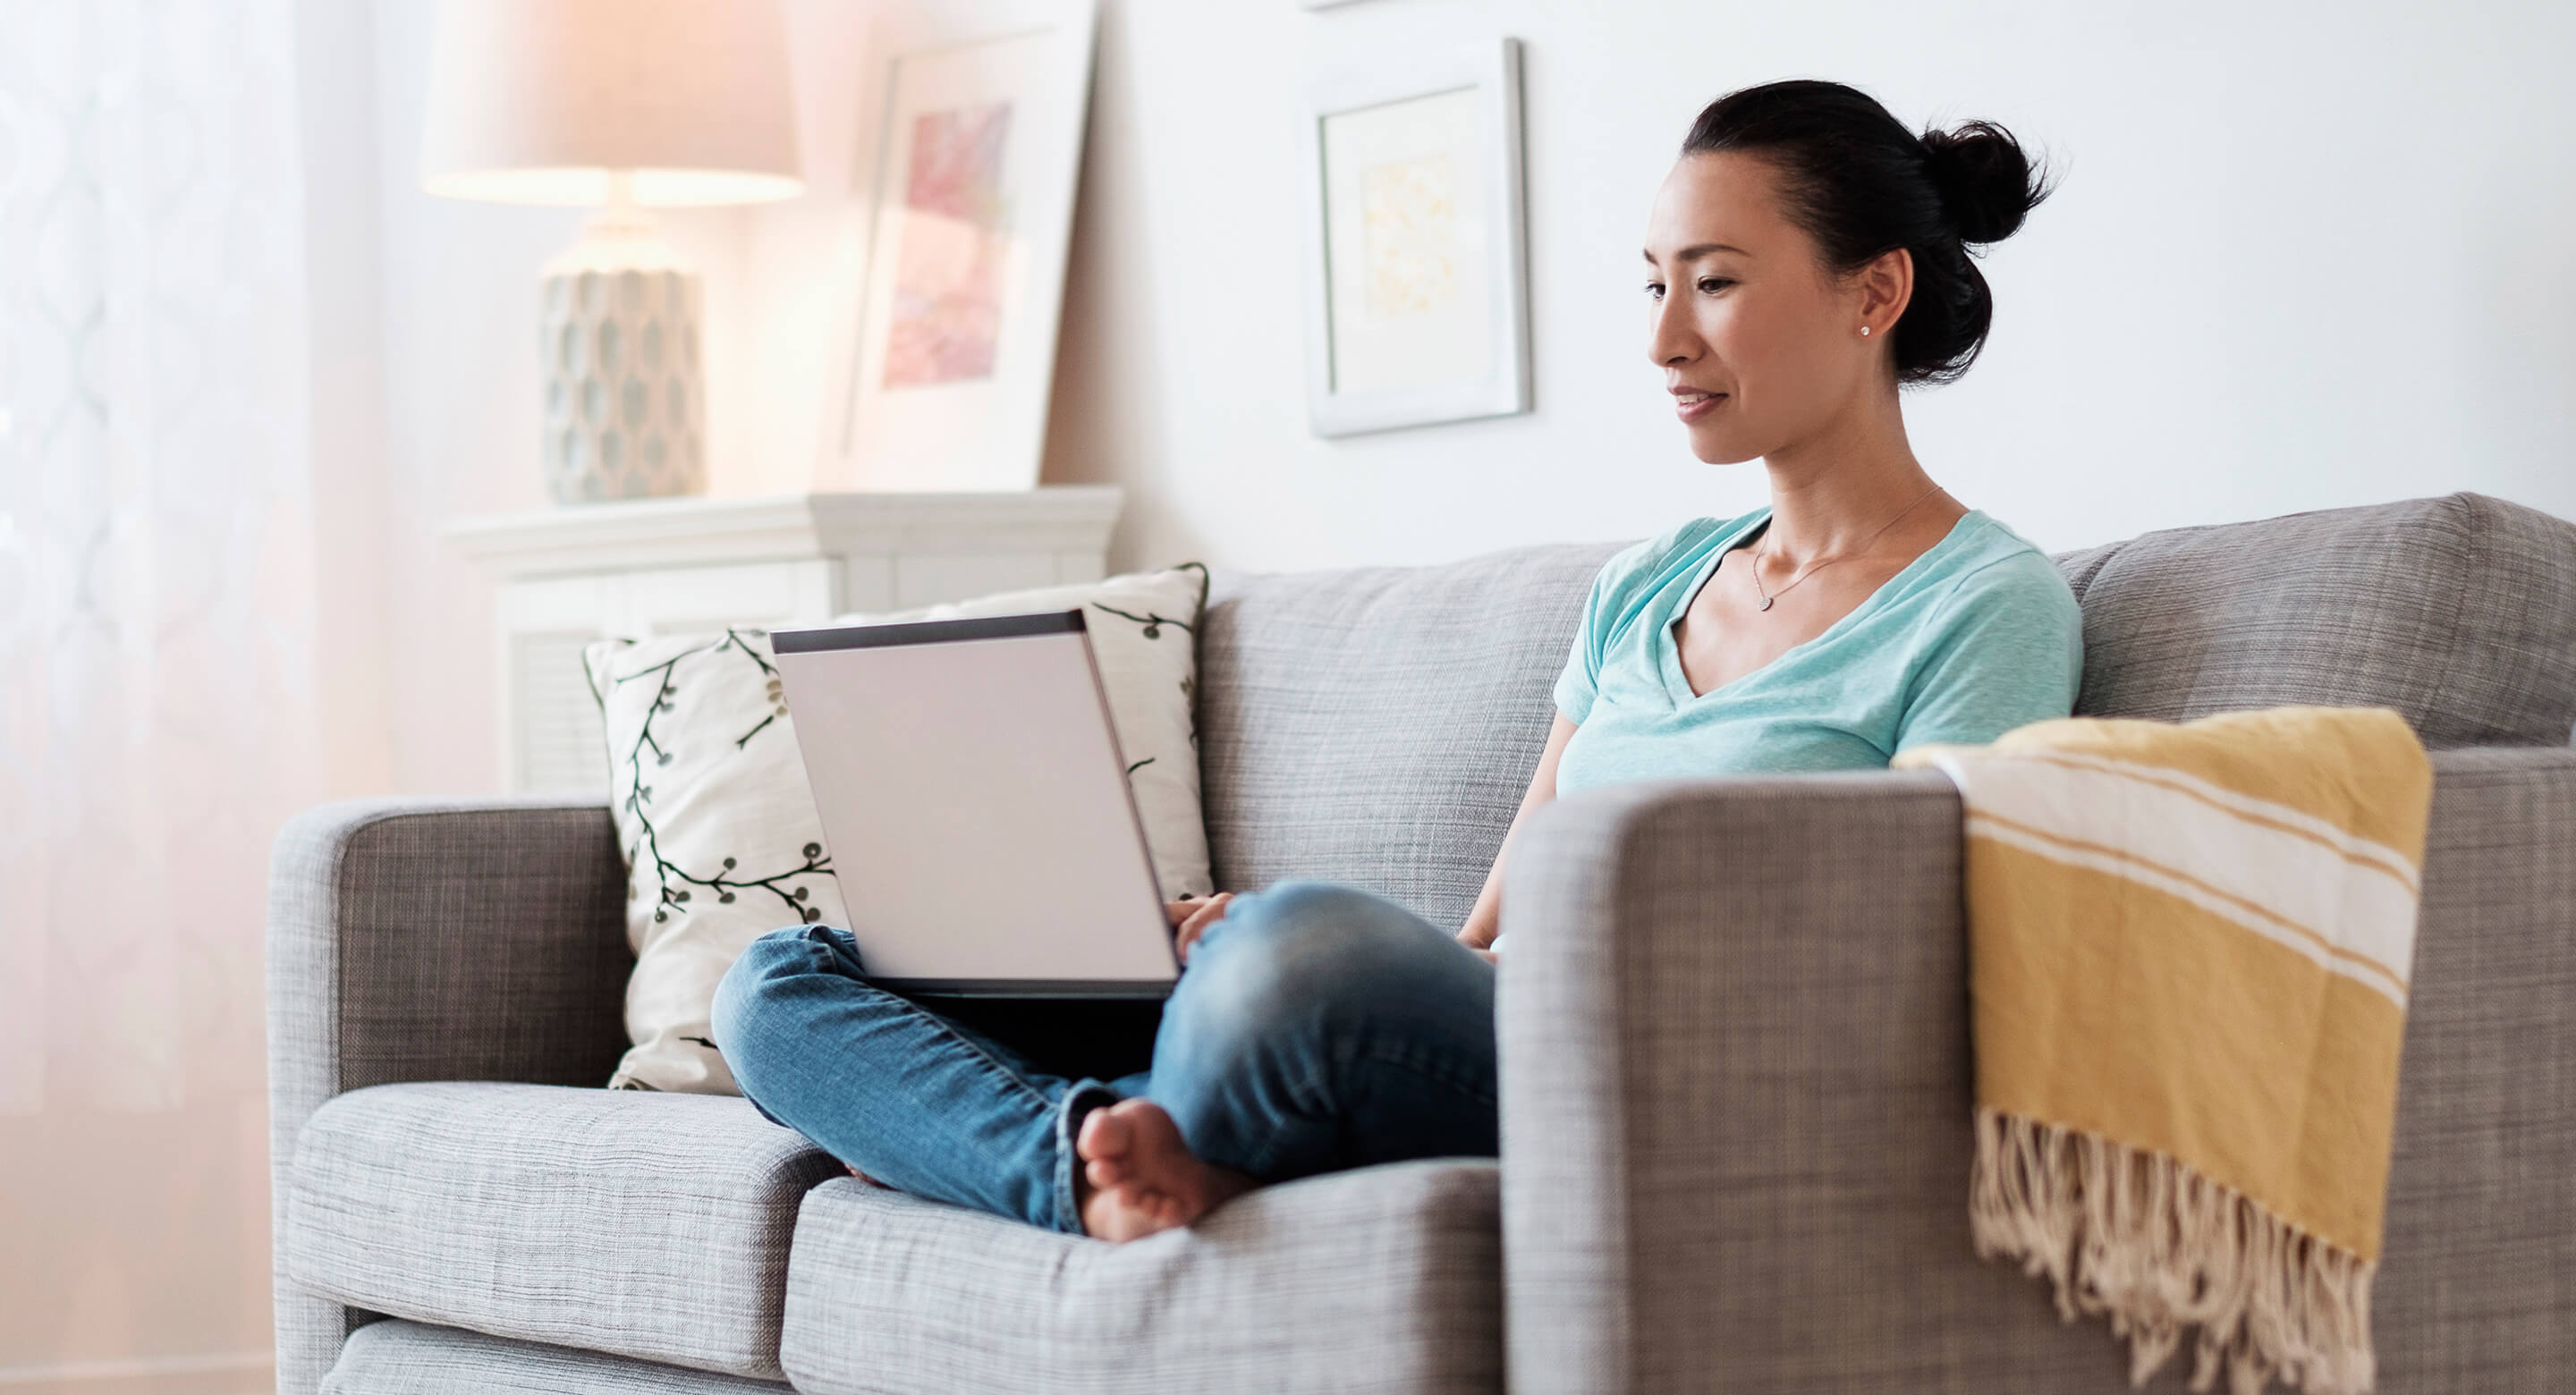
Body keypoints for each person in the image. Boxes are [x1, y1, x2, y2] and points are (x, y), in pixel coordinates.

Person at [711, 78, 2081, 1243]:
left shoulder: (1986, 606)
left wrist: (1300, 947)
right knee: (780, 985)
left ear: (1876, 293)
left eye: (1714, 285)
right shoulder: (1645, 585)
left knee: (1299, 952)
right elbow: (1483, 936)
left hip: (1646, 1071)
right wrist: (1235, 939)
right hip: (1457, 1024)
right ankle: (1093, 1162)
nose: (1662, 339)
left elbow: (1915, 979)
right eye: (1655, 284)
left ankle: (1159, 1120)